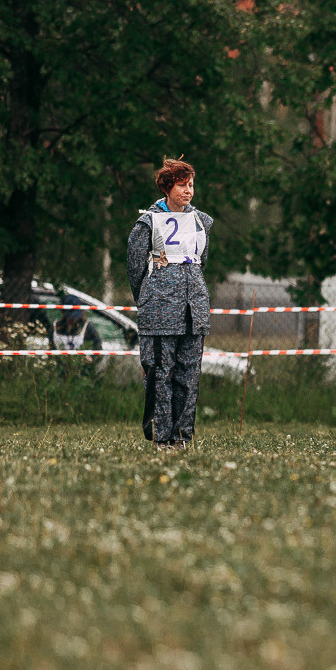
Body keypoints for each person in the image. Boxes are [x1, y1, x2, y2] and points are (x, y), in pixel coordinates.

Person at [126, 157, 212, 450]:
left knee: (189, 373)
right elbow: (135, 268)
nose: (188, 191)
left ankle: (182, 435)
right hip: (159, 308)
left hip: (193, 308)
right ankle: (161, 436)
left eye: (191, 185)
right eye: (182, 185)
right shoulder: (147, 222)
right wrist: (149, 300)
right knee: (161, 371)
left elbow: (202, 262)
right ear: (167, 187)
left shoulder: (202, 221)